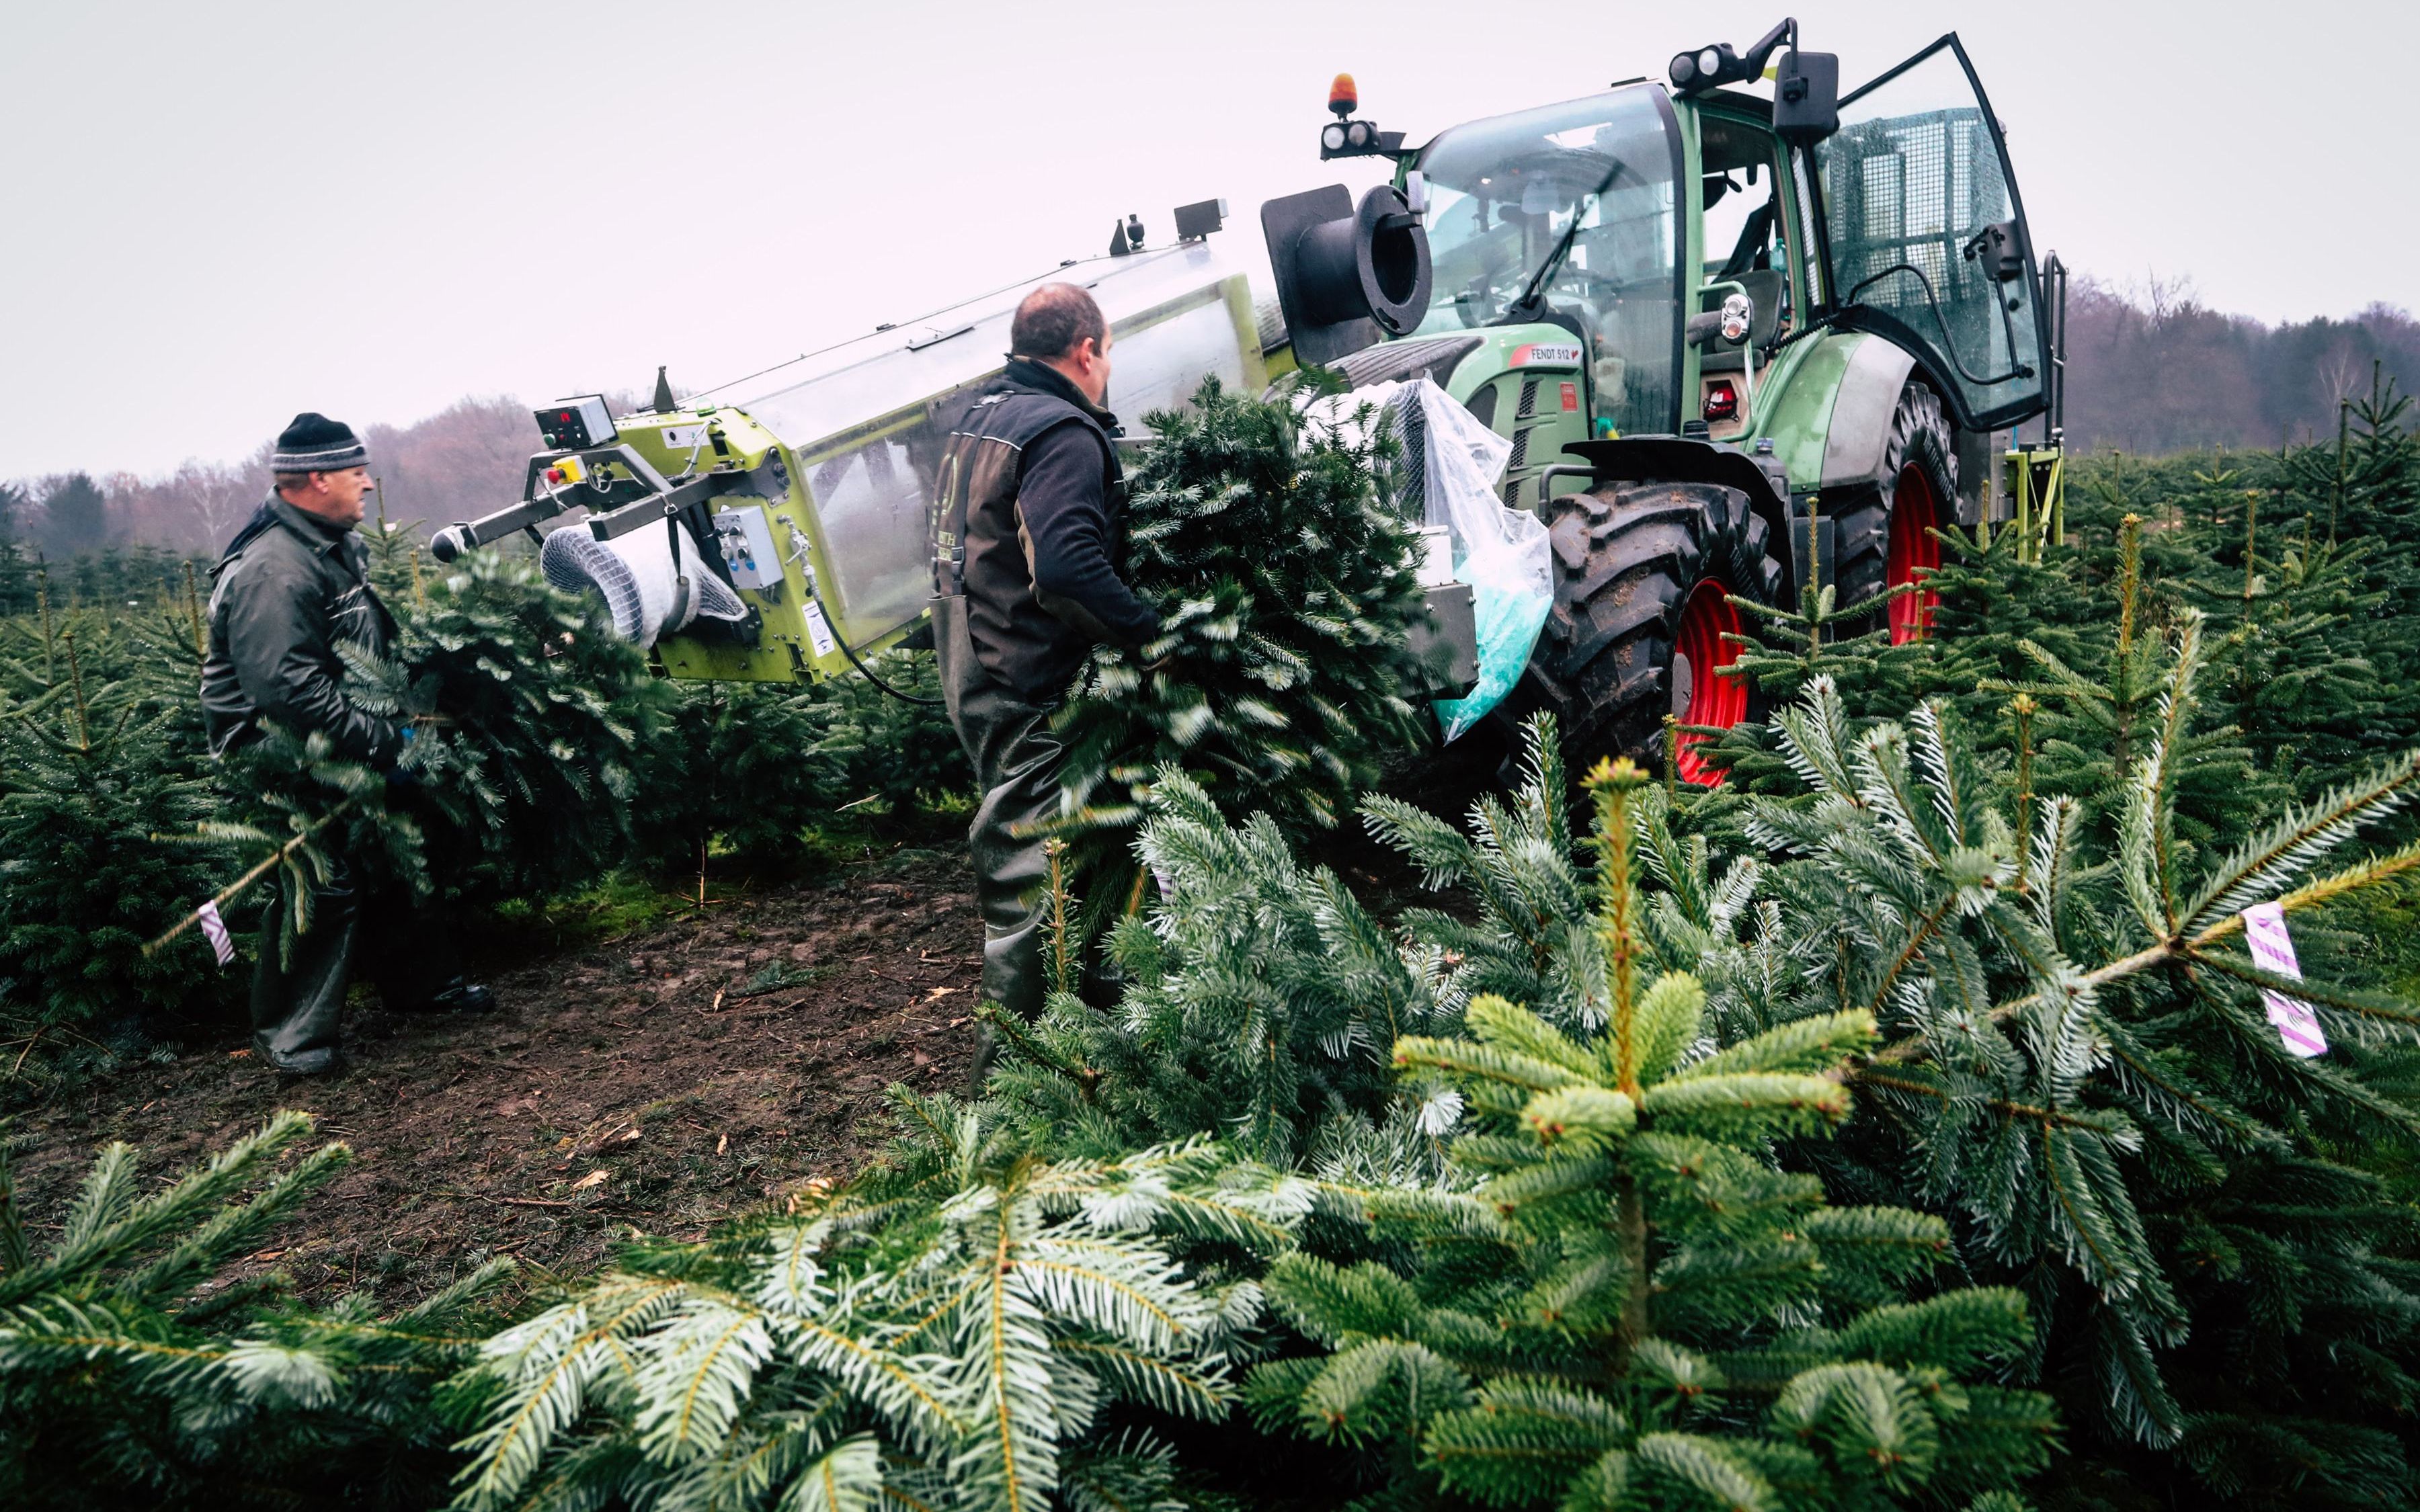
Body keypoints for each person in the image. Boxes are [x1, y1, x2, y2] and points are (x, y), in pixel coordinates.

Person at [200, 413, 493, 1075]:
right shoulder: (273, 568)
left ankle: (424, 988)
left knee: (397, 846)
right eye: (355, 471)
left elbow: (363, 645)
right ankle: (292, 1036)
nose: (368, 483)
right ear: (316, 478)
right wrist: (383, 743)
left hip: (343, 730)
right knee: (321, 879)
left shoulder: (335, 544)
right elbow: (287, 690)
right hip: (275, 751)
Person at [929, 284, 1160, 1038]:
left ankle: (1097, 1043)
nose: (1107, 369)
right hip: (1028, 683)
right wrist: (1150, 635)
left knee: (1079, 863)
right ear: (1087, 350)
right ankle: (1016, 1093)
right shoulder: (1061, 430)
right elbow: (1065, 570)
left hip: (974, 667)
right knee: (1034, 883)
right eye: (1109, 353)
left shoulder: (979, 420)